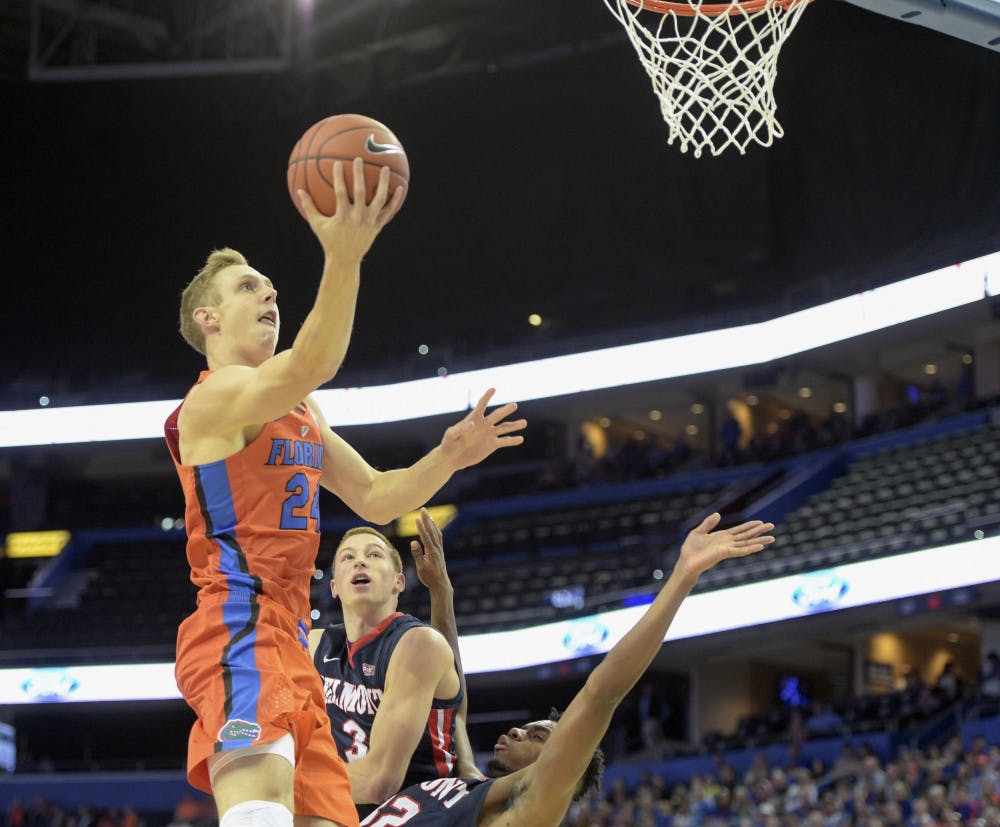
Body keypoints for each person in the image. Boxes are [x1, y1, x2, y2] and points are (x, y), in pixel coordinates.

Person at [163, 161, 527, 827]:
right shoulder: (212, 399)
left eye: (272, 286)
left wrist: (449, 453)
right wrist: (344, 255)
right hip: (237, 627)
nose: (270, 294)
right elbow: (312, 359)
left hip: (293, 641)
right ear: (208, 318)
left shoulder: (298, 407)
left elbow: (378, 496)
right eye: (249, 287)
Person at [361, 512, 775, 827]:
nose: (519, 731)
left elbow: (601, 693)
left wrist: (682, 578)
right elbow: (453, 709)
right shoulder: (467, 787)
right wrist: (442, 593)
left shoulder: (531, 804)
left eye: (539, 736)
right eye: (529, 728)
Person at [311, 510, 479, 816]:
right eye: (347, 558)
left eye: (374, 554)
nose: (359, 561)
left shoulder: (416, 643)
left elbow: (379, 782)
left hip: (420, 811)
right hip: (344, 807)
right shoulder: (315, 645)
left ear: (399, 582)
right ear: (334, 586)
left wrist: (280, 786)